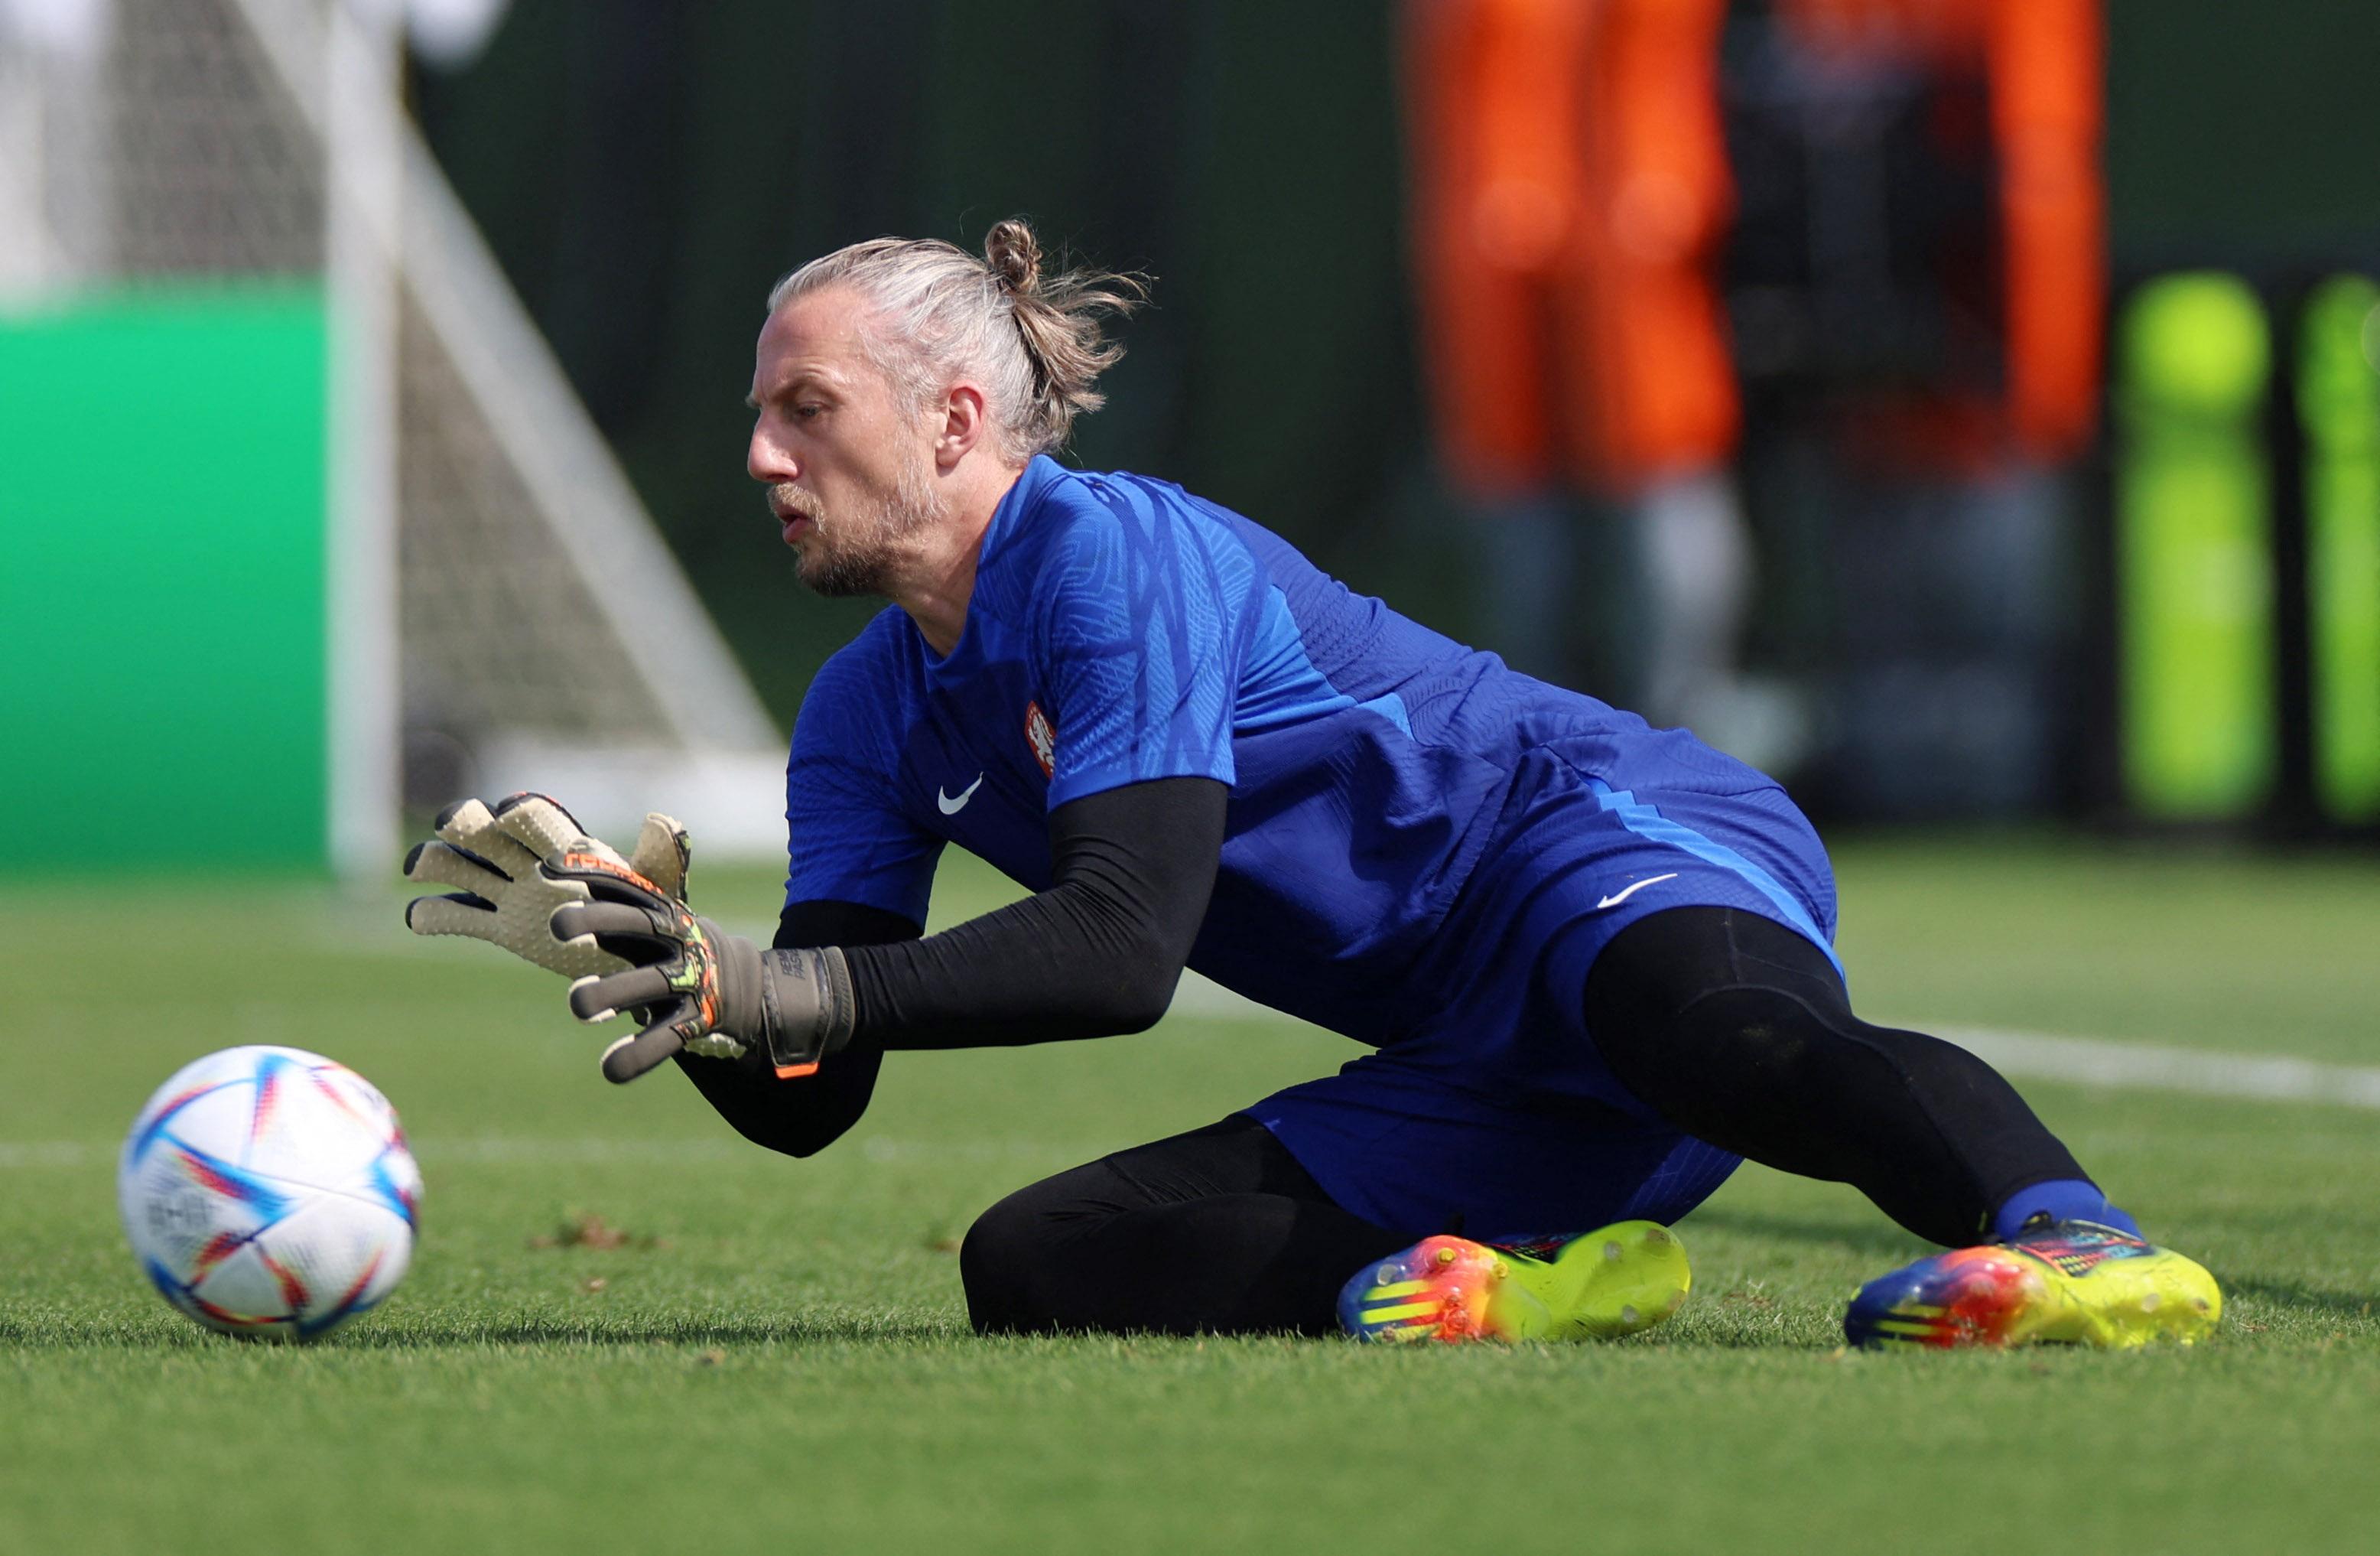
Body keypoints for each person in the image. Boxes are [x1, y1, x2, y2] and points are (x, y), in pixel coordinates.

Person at [403, 220, 2218, 1349]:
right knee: (1038, 1269)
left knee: (1694, 1023)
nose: (758, 454)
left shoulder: (1101, 557)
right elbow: (813, 1096)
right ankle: (1519, 1288)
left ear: (955, 420)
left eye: (806, 409)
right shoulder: (866, 710)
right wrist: (648, 959)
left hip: (1592, 844)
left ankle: (2078, 1247)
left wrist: (768, 981)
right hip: (1467, 1051)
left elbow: (1121, 951)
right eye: (759, 413)